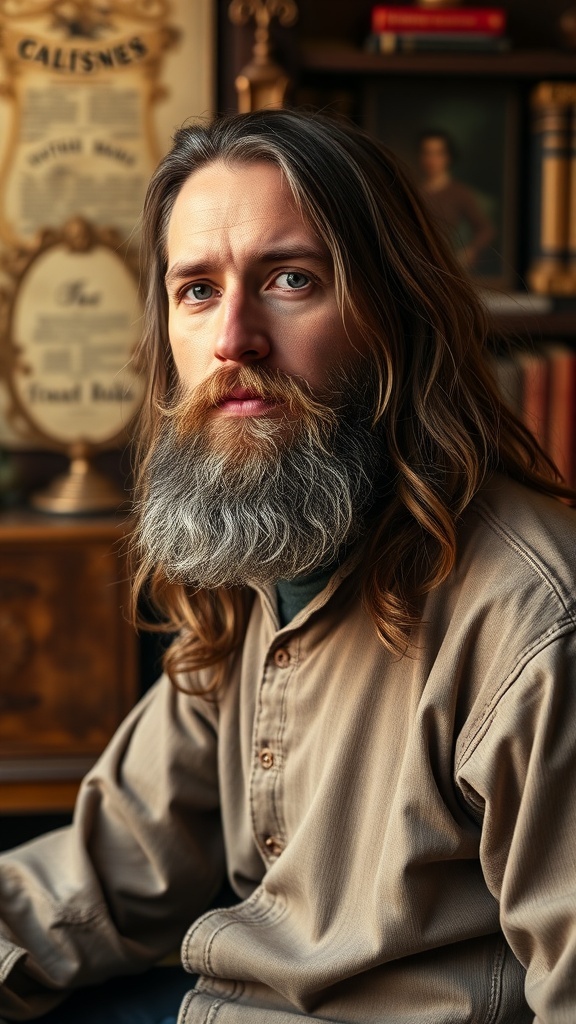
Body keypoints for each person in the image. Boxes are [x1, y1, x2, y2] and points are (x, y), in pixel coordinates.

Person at [0, 109, 575, 1024]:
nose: (234, 339)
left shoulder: (535, 624)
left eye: (292, 279)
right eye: (196, 291)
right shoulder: (263, 555)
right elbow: (113, 869)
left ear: (396, 315)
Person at [417, 128, 496, 272]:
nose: (432, 160)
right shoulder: (413, 191)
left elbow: (485, 229)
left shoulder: (459, 193)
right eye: (427, 153)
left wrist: (470, 252)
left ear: (448, 157)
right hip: (417, 265)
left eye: (438, 153)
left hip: (445, 266)